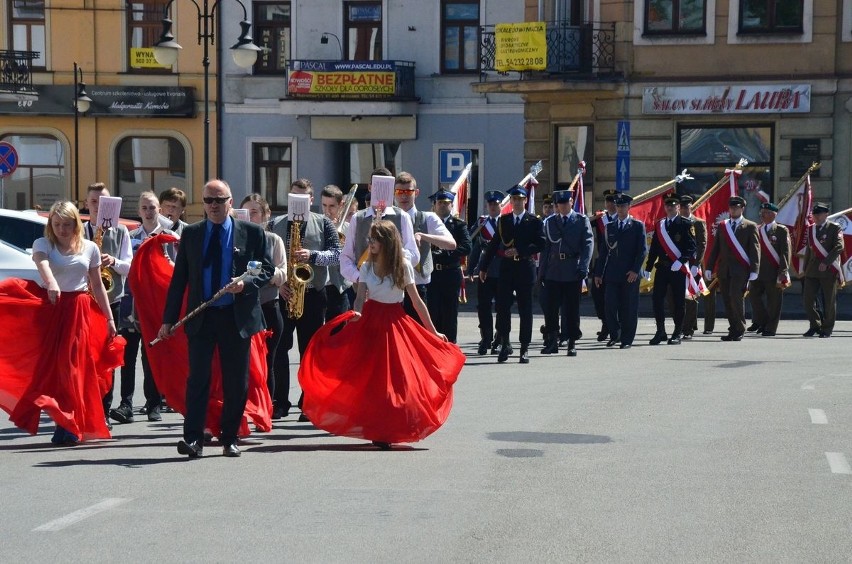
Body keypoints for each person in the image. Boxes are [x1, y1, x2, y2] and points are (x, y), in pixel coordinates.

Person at [297, 220, 465, 449]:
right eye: (370, 238)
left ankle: (391, 427)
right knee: (369, 378)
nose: (370, 243)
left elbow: (416, 302)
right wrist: (355, 314)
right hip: (371, 322)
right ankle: (376, 427)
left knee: (395, 379)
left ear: (386, 242)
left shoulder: (403, 266)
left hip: (395, 323)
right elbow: (360, 297)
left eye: (374, 239)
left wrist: (433, 331)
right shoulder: (366, 266)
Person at [157, 179, 273, 458]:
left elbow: (267, 269)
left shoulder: (253, 233)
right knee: (198, 379)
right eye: (208, 200)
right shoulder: (193, 234)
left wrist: (246, 284)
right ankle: (193, 439)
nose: (213, 206)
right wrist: (168, 319)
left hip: (236, 316)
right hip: (202, 316)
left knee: (236, 381)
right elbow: (180, 279)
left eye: (219, 201)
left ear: (230, 202)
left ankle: (230, 437)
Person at [0, 201, 123, 444]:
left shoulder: (89, 248)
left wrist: (109, 318)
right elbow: (42, 263)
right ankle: (64, 419)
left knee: (73, 368)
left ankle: (69, 423)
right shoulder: (43, 243)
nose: (61, 229)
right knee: (51, 369)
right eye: (56, 224)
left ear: (75, 224)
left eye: (66, 224)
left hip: (78, 311)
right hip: (51, 310)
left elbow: (97, 286)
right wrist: (52, 283)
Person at [269, 179, 341, 421]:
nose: (298, 202)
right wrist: (279, 285)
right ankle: (279, 401)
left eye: (303, 198)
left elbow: (336, 255)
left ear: (311, 200)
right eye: (293, 198)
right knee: (279, 350)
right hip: (284, 293)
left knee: (309, 351)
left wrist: (312, 255)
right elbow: (266, 259)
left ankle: (308, 401)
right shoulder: (275, 224)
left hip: (313, 293)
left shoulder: (323, 223)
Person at [111, 192, 174, 425]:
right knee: (127, 358)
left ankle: (154, 403)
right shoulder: (130, 236)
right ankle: (126, 404)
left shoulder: (169, 237)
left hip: (155, 308)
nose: (149, 212)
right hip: (131, 304)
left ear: (160, 210)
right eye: (145, 208)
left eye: (153, 208)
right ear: (139, 211)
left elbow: (177, 270)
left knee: (151, 357)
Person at [83, 182, 133, 428]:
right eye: (94, 202)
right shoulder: (79, 230)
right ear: (87, 204)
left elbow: (129, 266)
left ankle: (103, 411)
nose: (98, 207)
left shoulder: (121, 231)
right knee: (85, 359)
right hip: (84, 302)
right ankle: (86, 409)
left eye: (103, 202)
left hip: (112, 301)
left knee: (108, 359)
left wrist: (112, 260)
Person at [479, 185, 545, 364]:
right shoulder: (504, 220)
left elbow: (541, 243)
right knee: (502, 308)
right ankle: (505, 343)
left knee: (525, 310)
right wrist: (483, 267)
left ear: (525, 201)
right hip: (507, 269)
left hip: (525, 268)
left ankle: (524, 348)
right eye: (514, 199)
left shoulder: (533, 221)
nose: (516, 202)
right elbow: (494, 245)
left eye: (520, 199)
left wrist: (519, 250)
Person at [240, 194, 287, 405]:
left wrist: (259, 274)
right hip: (243, 309)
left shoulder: (273, 240)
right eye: (245, 213)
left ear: (266, 215)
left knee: (268, 360)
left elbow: (282, 274)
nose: (250, 218)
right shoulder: (235, 241)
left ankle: (267, 407)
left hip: (268, 307)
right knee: (243, 363)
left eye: (255, 213)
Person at [392, 171, 457, 321]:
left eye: (408, 192)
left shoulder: (428, 218)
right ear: (394, 193)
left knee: (418, 336)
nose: (403, 196)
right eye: (400, 192)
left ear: (416, 192)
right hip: (392, 288)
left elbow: (451, 244)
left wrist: (424, 236)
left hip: (418, 285)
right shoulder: (388, 217)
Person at [340, 167, 420, 285]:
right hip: (362, 286)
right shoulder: (357, 218)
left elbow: (414, 255)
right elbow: (346, 257)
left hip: (392, 285)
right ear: (370, 187)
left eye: (387, 186)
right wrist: (359, 278)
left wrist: (395, 251)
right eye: (377, 186)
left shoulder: (402, 216)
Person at [539, 190, 593, 356]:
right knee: (551, 308)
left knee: (571, 309)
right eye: (559, 204)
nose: (562, 206)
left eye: (565, 202)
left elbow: (588, 245)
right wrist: (541, 272)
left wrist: (584, 267)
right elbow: (546, 249)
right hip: (553, 269)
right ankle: (552, 341)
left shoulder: (581, 220)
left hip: (572, 269)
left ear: (571, 202)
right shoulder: (550, 222)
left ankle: (571, 342)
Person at [593, 193, 647, 349]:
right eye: (618, 206)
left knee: (628, 308)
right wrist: (598, 273)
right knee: (609, 305)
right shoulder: (610, 226)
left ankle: (627, 339)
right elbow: (603, 252)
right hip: (612, 273)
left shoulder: (637, 226)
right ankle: (615, 332)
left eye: (623, 206)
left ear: (629, 207)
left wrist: (635, 270)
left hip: (630, 274)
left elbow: (642, 251)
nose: (620, 209)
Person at [705, 196, 760, 341]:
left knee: (736, 297)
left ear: (742, 208)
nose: (733, 209)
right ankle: (733, 328)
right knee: (727, 300)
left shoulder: (750, 226)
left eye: (736, 207)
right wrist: (709, 267)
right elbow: (715, 248)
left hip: (741, 270)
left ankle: (740, 328)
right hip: (724, 270)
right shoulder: (723, 226)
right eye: (731, 207)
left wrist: (755, 269)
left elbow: (755, 250)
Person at [646, 195, 697, 345]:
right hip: (662, 267)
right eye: (667, 205)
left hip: (677, 268)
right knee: (657, 300)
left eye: (673, 205)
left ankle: (677, 332)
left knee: (678, 301)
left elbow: (691, 247)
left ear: (678, 208)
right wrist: (648, 267)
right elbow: (654, 247)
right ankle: (660, 331)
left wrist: (681, 261)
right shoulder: (660, 225)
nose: (669, 208)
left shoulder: (686, 224)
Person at [467, 190, 511, 355]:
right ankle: (486, 337)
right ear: (487, 205)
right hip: (485, 272)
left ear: (501, 205)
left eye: (496, 204)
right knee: (483, 307)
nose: (493, 207)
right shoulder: (482, 223)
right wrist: (471, 268)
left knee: (502, 307)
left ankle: (499, 338)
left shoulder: (506, 221)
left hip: (503, 271)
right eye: (490, 204)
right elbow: (475, 246)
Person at [426, 189, 472, 343]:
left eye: (446, 203)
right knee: (433, 313)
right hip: (432, 274)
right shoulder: (427, 223)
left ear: (452, 206)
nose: (443, 206)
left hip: (450, 273)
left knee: (450, 314)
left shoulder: (458, 225)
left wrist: (446, 254)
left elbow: (467, 247)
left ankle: (450, 347)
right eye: (440, 203)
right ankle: (435, 348)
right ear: (434, 205)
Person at [747, 202, 791, 337]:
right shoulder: (757, 229)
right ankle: (763, 321)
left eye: (766, 212)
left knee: (774, 302)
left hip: (774, 271)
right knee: (754, 297)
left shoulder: (781, 230)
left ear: (773, 214)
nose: (762, 215)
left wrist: (783, 270)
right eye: (762, 212)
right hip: (758, 271)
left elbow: (785, 251)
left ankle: (771, 328)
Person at [802, 202, 845, 338]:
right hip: (812, 269)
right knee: (808, 299)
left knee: (829, 300)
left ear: (826, 214)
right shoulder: (810, 229)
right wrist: (805, 268)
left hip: (828, 269)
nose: (816, 217)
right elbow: (809, 250)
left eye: (819, 214)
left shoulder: (834, 228)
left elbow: (839, 247)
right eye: (815, 214)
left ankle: (827, 328)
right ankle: (815, 325)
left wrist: (826, 262)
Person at [588, 189, 619, 342]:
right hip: (602, 262)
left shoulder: (622, 218)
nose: (610, 204)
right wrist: (595, 216)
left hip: (618, 262)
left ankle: (615, 326)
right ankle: (605, 323)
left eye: (613, 201)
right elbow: (584, 223)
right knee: (597, 294)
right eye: (608, 201)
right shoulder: (601, 218)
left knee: (614, 297)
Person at [320, 184, 353, 320]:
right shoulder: (315, 225)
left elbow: (354, 258)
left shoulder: (349, 228)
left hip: (339, 287)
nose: (327, 211)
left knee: (338, 333)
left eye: (332, 206)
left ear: (341, 205)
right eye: (324, 205)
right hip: (319, 287)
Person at [678, 195, 707, 339]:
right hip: (679, 264)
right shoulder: (675, 222)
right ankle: (685, 324)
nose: (684, 209)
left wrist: (697, 264)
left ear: (691, 207)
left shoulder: (698, 223)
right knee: (676, 297)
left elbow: (702, 245)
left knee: (691, 296)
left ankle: (687, 329)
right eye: (682, 207)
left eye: (687, 207)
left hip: (693, 264)